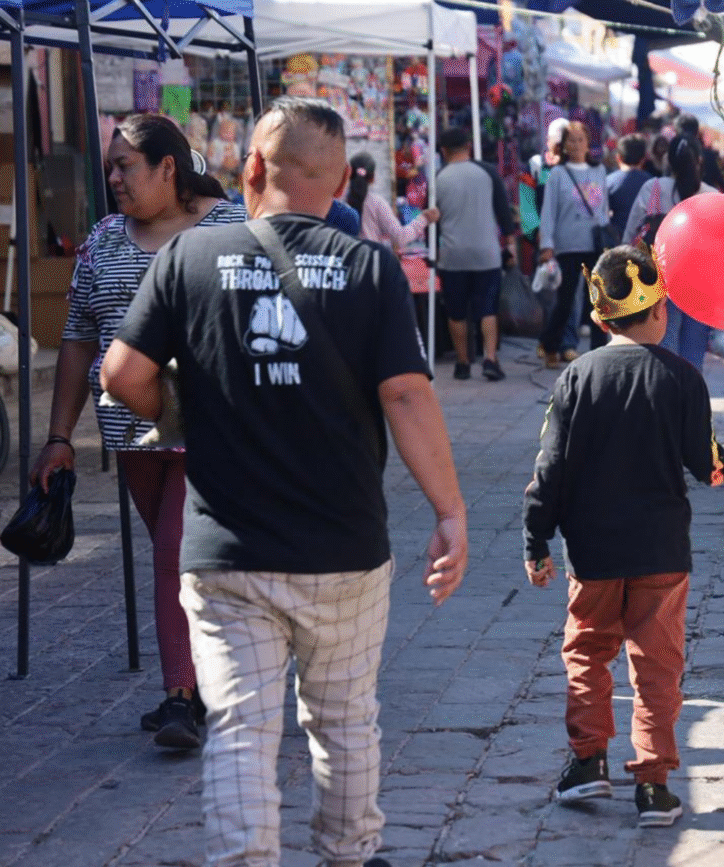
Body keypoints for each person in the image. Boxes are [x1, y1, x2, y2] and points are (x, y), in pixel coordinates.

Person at [100, 97, 468, 867]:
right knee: (343, 721)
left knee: (240, 726)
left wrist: (176, 410)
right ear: (336, 187)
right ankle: (351, 853)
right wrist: (450, 511)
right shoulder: (371, 269)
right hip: (344, 547)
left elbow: (120, 374)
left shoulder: (190, 260)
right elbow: (406, 393)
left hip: (226, 550)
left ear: (253, 167)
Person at [30, 113, 245, 751]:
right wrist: (59, 436)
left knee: (175, 557)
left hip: (213, 433)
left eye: (126, 167)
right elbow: (76, 339)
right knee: (189, 560)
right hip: (130, 433)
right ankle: (215, 677)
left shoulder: (233, 227)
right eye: (111, 169)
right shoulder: (103, 237)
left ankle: (181, 697)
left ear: (168, 167)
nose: (115, 179)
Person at [522, 244, 724, 828]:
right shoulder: (682, 379)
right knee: (657, 668)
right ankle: (653, 786)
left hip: (591, 553)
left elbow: (549, 469)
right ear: (658, 310)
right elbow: (708, 468)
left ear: (600, 317)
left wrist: (535, 540)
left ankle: (588, 762)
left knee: (587, 654)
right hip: (661, 554)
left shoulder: (576, 377)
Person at [622, 135, 717, 371]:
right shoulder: (713, 196)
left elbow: (630, 235)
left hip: (661, 282)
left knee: (665, 347)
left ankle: (667, 400)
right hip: (701, 286)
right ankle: (691, 403)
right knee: (693, 354)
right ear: (700, 161)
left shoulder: (652, 188)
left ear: (669, 162)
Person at [432, 126, 516, 382]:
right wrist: (510, 245)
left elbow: (431, 220)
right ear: (469, 146)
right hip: (486, 254)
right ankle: (490, 359)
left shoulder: (438, 178)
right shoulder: (488, 172)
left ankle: (462, 363)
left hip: (452, 255)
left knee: (456, 312)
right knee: (487, 309)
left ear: (443, 151)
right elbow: (504, 211)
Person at [538, 120, 610, 368]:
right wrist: (546, 244)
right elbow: (548, 212)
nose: (577, 145)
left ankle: (599, 350)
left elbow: (604, 208)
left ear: (588, 143)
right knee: (566, 299)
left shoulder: (599, 170)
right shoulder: (557, 174)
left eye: (581, 140)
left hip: (595, 244)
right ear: (564, 145)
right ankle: (551, 345)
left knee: (598, 300)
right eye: (571, 140)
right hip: (567, 245)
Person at [346, 150, 438, 251]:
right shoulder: (376, 203)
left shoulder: (338, 201)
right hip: (371, 262)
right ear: (372, 178)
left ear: (348, 174)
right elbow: (401, 237)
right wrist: (424, 218)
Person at [606, 134, 652, 240]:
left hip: (617, 241)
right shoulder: (652, 183)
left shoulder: (608, 182)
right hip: (645, 241)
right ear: (643, 158)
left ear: (618, 157)